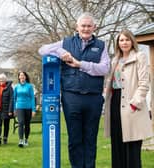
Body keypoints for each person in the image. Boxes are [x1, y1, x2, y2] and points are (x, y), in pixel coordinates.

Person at [39, 12, 110, 168]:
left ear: (94, 27)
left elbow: (105, 68)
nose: (85, 28)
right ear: (77, 27)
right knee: (75, 138)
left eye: (89, 26)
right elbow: (42, 50)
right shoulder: (66, 42)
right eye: (82, 26)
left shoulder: (101, 46)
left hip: (94, 98)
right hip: (72, 97)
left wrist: (80, 64)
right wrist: (60, 52)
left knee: (91, 138)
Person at [104, 29, 153, 168]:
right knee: (117, 144)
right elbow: (112, 82)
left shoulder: (140, 56)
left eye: (127, 39)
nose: (124, 43)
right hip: (115, 103)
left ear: (132, 41)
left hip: (132, 104)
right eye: (121, 40)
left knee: (132, 146)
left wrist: (135, 104)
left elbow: (144, 83)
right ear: (117, 43)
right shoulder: (115, 60)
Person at [14, 71, 36, 147]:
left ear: (25, 77)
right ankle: (20, 140)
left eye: (23, 75)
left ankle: (26, 139)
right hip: (19, 107)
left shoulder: (29, 86)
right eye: (20, 75)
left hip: (28, 107)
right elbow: (14, 98)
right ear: (19, 77)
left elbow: (32, 98)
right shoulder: (16, 87)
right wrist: (14, 109)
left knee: (27, 124)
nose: (22, 76)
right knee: (20, 123)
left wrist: (33, 110)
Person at [0, 73, 14, 146]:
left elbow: (12, 100)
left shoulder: (10, 88)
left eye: (2, 80)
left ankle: (5, 138)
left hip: (6, 110)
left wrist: (10, 111)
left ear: (5, 80)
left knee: (6, 125)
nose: (1, 81)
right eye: (0, 80)